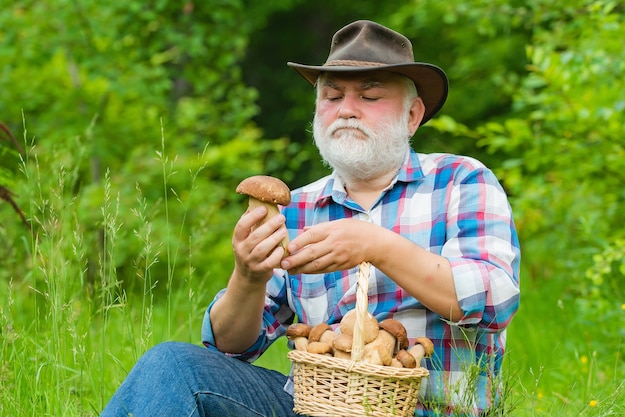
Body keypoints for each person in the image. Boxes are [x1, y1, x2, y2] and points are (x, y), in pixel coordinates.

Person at [101, 20, 521, 417]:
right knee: (175, 366)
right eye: (332, 96)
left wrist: (375, 244)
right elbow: (230, 347)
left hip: (425, 409)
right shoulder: (297, 208)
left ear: (412, 116)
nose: (346, 110)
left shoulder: (459, 180)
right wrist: (248, 277)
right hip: (316, 406)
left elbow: (496, 299)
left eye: (370, 97)